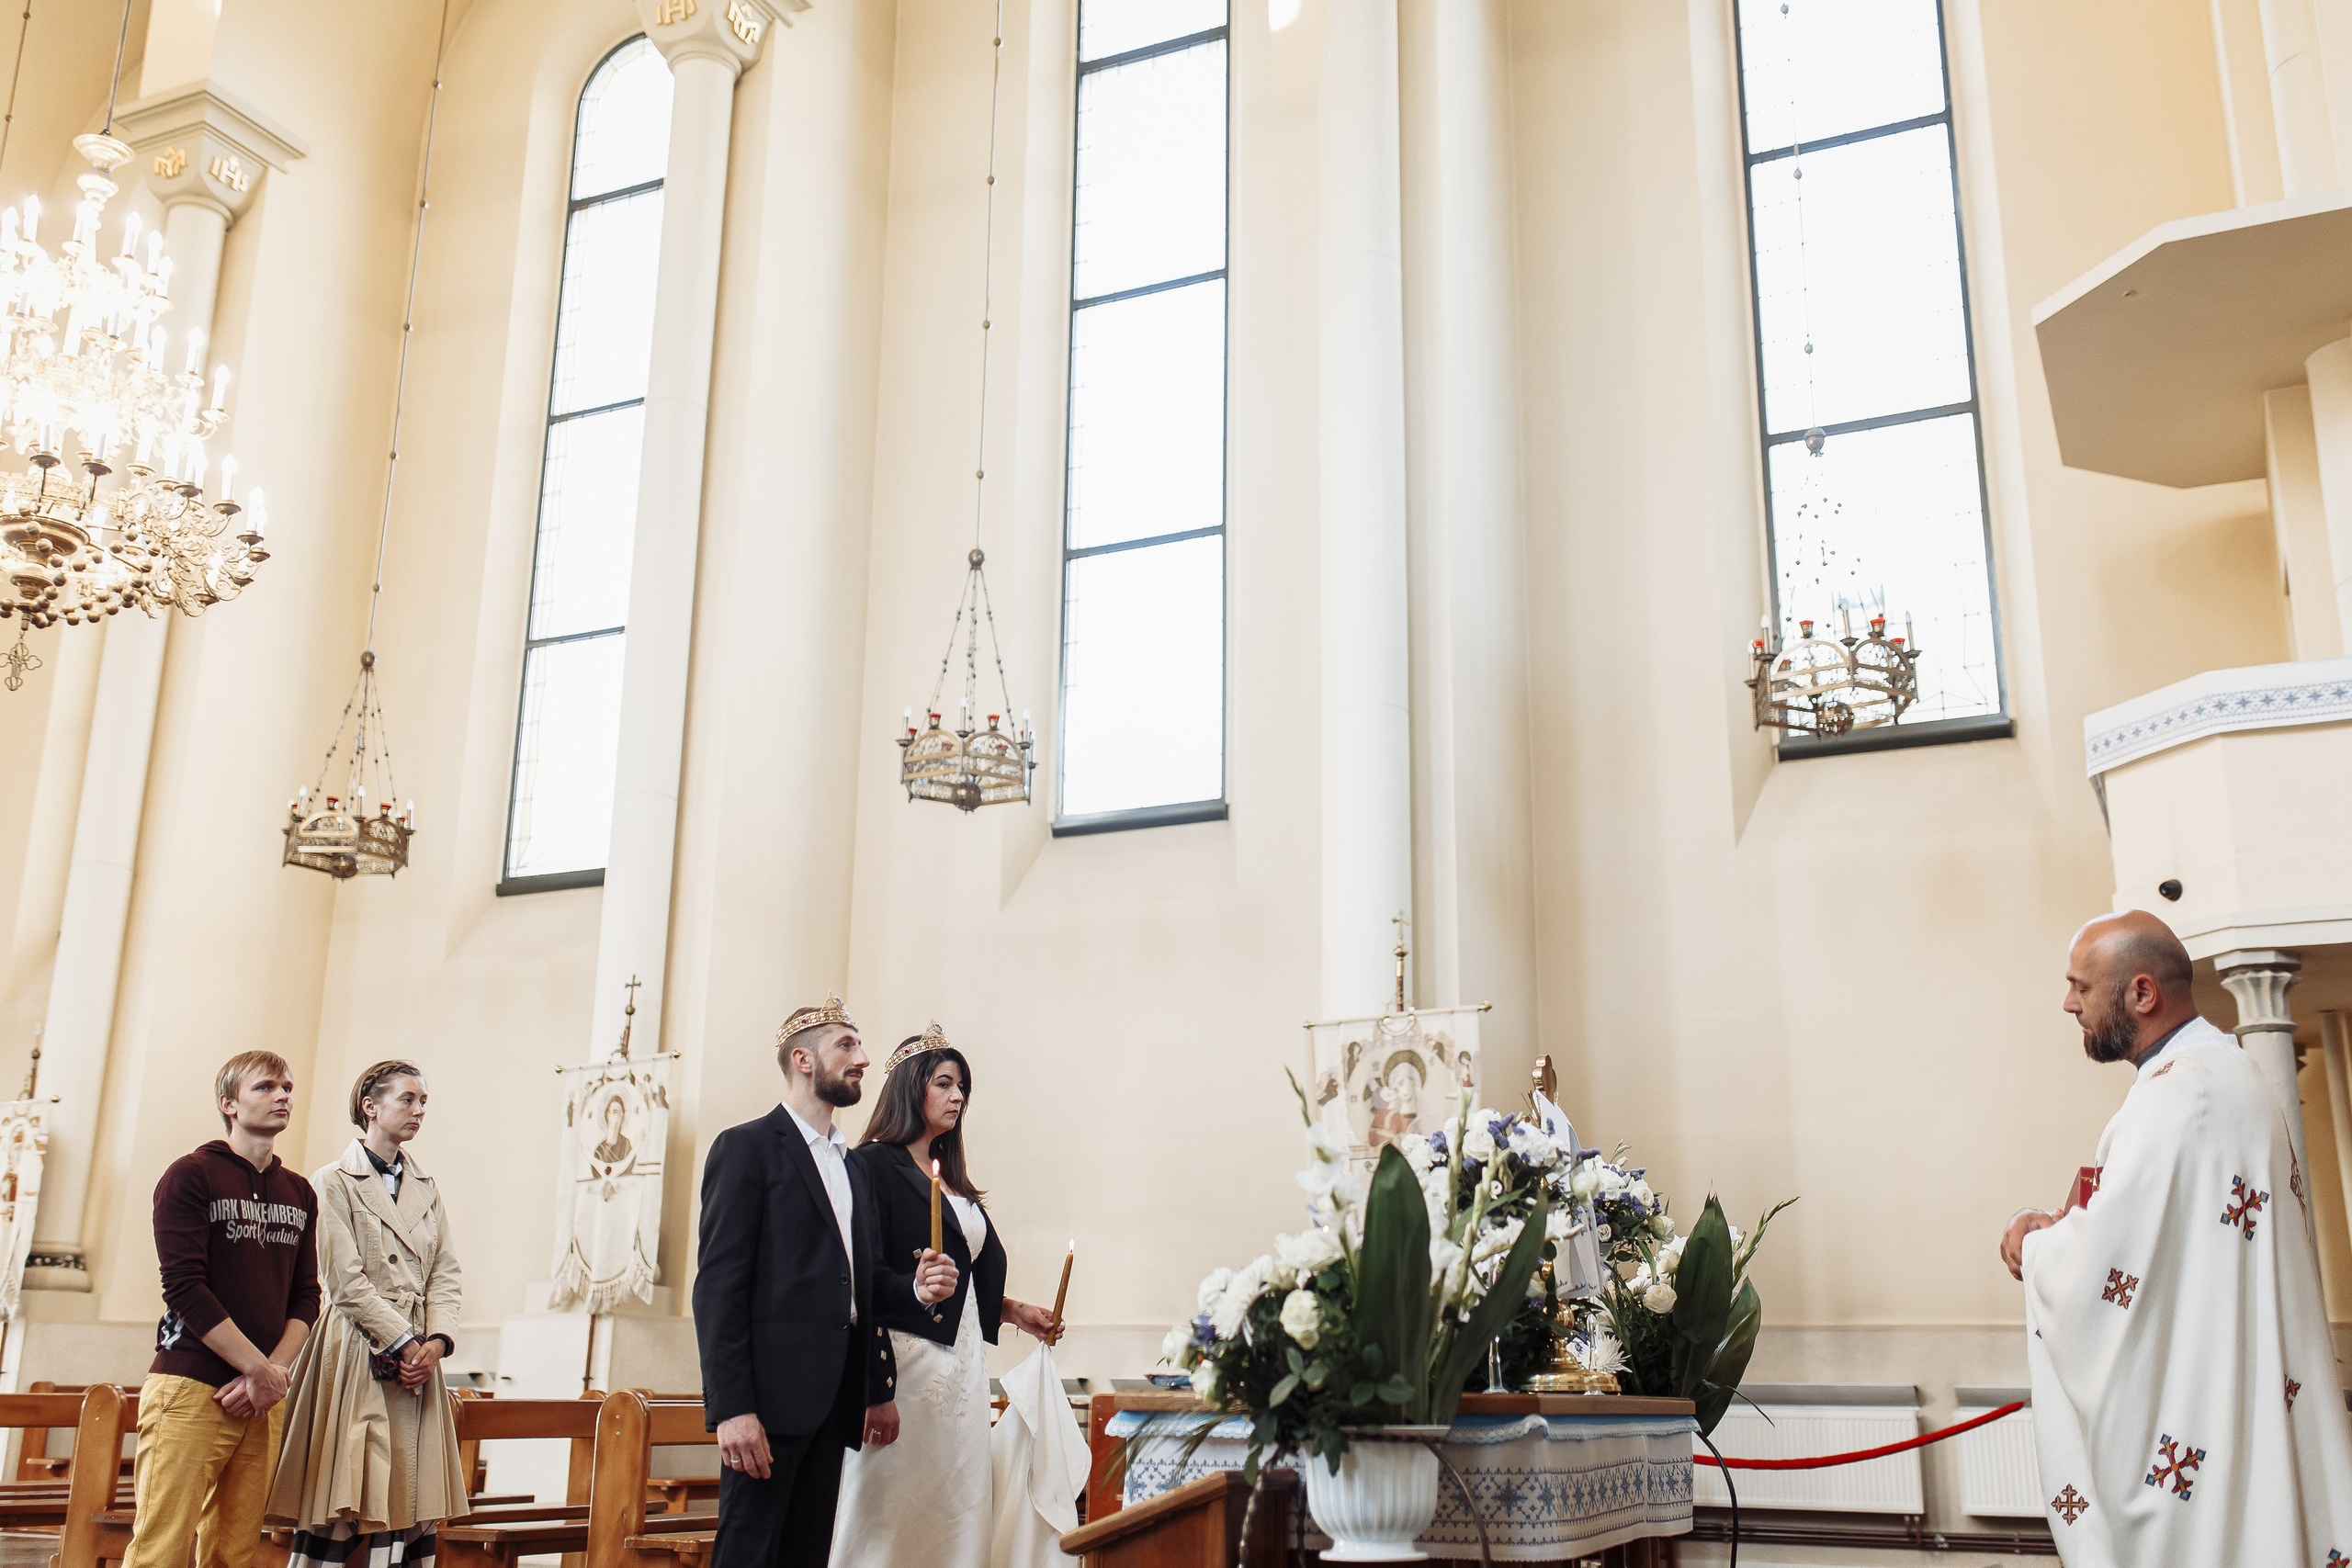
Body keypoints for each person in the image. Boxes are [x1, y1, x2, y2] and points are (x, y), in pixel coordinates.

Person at [1999, 911, 2352, 1564]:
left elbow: (2101, 1274)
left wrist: (2032, 1241)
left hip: (2201, 1412)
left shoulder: (2173, 1100)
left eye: (2082, 986)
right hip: (2243, 1386)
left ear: (2141, 993)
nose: (2068, 1002)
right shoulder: (2232, 1073)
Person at [695, 997, 958, 1568]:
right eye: (846, 1045)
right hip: (766, 1403)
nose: (863, 1057)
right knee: (748, 1555)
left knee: (806, 1556)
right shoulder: (748, 1149)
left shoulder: (853, 1165)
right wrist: (732, 1408)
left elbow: (859, 1290)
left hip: (833, 1401)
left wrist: (913, 1289)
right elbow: (717, 1288)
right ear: (803, 1060)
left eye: (860, 1045)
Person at [831, 1024, 1060, 1568]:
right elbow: (862, 1280)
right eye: (945, 1083)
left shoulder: (952, 1179)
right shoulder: (871, 1165)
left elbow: (964, 1278)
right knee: (889, 1507)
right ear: (912, 1088)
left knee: (957, 1506)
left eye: (963, 1089)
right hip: (905, 1369)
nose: (958, 1097)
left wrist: (1012, 1310)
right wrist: (873, 1387)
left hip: (962, 1368)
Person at [266, 1060, 468, 1568]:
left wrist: (436, 1343)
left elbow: (445, 1272)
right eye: (408, 1099)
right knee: (349, 1486)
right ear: (370, 1107)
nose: (419, 1110)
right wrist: (404, 1343)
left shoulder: (427, 1186)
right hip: (359, 1347)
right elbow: (343, 1279)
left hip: (419, 1356)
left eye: (424, 1102)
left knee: (409, 1493)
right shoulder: (332, 1180)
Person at [128, 1052, 322, 1568]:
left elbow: (307, 1295)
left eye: (287, 1087)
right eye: (266, 1087)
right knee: (160, 1548)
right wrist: (258, 1370)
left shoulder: (298, 1191)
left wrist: (273, 1372)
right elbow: (184, 1288)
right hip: (192, 1386)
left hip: (263, 1396)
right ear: (229, 1104)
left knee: (234, 1553)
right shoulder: (192, 1175)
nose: (283, 1096)